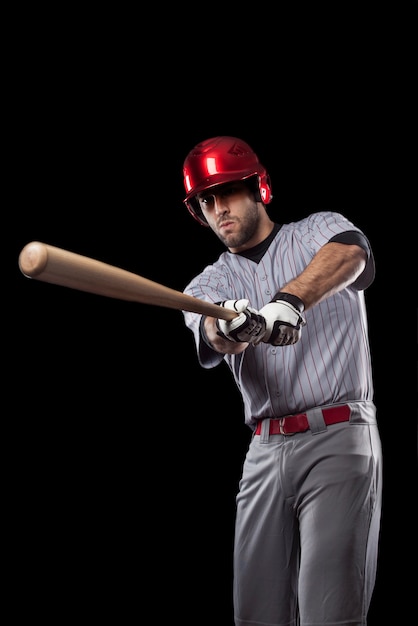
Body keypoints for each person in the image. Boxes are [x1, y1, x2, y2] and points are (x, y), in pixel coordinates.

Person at [180, 136, 383, 626]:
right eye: (205, 200)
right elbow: (210, 332)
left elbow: (351, 255)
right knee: (255, 615)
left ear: (257, 188)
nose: (217, 208)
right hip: (264, 453)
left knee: (329, 613)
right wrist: (228, 326)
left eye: (227, 191)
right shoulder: (207, 284)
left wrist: (288, 301)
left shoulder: (319, 230)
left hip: (338, 435)